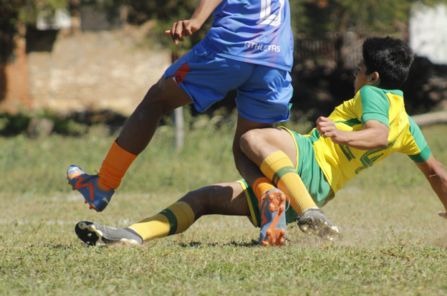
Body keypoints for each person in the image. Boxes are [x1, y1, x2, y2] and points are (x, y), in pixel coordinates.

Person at [73, 36, 447, 248]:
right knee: (202, 198)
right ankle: (131, 235)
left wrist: (342, 134)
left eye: (360, 69)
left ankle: (305, 212)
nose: (355, 74)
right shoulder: (410, 128)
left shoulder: (372, 95)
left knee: (251, 137)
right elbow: (436, 174)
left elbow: (377, 134)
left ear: (375, 76)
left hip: (306, 161)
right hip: (316, 187)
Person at [67, 0, 310, 225]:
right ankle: (269, 201)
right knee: (249, 145)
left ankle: (102, 185)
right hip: (275, 56)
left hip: (230, 50)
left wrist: (197, 19)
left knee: (155, 101)